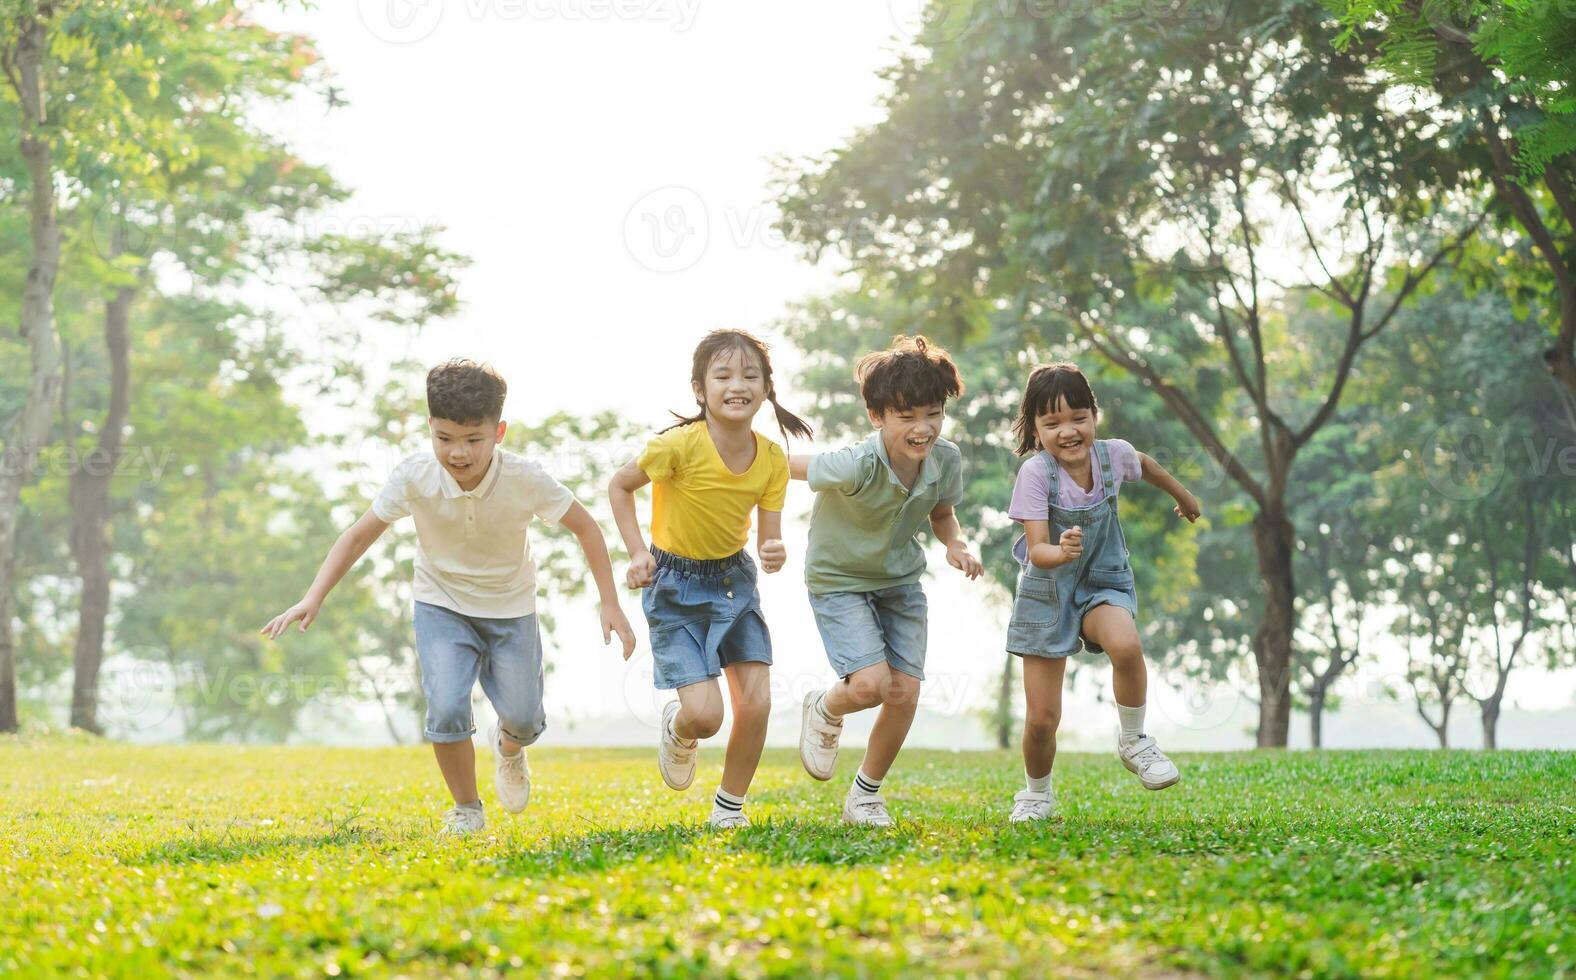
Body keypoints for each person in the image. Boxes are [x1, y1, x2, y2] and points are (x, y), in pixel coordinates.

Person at [261, 358, 635, 837]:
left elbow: (585, 526)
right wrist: (313, 596)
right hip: (441, 602)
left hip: (511, 606)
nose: (458, 453)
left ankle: (511, 747)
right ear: (430, 429)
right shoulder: (414, 476)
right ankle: (466, 809)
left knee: (522, 717)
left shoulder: (526, 478)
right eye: (444, 439)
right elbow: (358, 536)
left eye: (472, 440)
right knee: (446, 706)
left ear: (498, 432)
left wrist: (609, 601)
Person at [608, 330, 811, 829]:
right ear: (700, 389)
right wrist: (637, 552)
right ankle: (679, 731)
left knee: (757, 702)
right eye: (723, 376)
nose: (736, 385)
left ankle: (729, 808)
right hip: (674, 586)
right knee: (705, 717)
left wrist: (774, 550)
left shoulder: (770, 459)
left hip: (733, 582)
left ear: (766, 388)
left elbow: (769, 539)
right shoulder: (677, 445)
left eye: (749, 375)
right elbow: (620, 485)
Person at [792, 335, 983, 827]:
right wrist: (727, 458)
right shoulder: (856, 462)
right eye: (907, 416)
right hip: (838, 581)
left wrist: (955, 543)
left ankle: (866, 796)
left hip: (899, 583)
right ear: (877, 416)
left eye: (934, 413)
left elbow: (942, 511)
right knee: (872, 685)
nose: (924, 428)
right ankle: (826, 706)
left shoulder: (946, 459)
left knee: (904, 693)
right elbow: (789, 466)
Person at [1004, 362, 1201, 823]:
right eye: (1052, 423)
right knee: (1041, 720)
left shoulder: (1112, 455)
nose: (1068, 432)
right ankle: (1036, 793)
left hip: (1103, 580)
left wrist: (1182, 494)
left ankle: (1133, 740)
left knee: (1126, 644)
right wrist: (1061, 548)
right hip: (1047, 592)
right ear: (1035, 429)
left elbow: (1146, 466)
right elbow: (1036, 550)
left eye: (1079, 418)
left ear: (1095, 415)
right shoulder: (1036, 474)